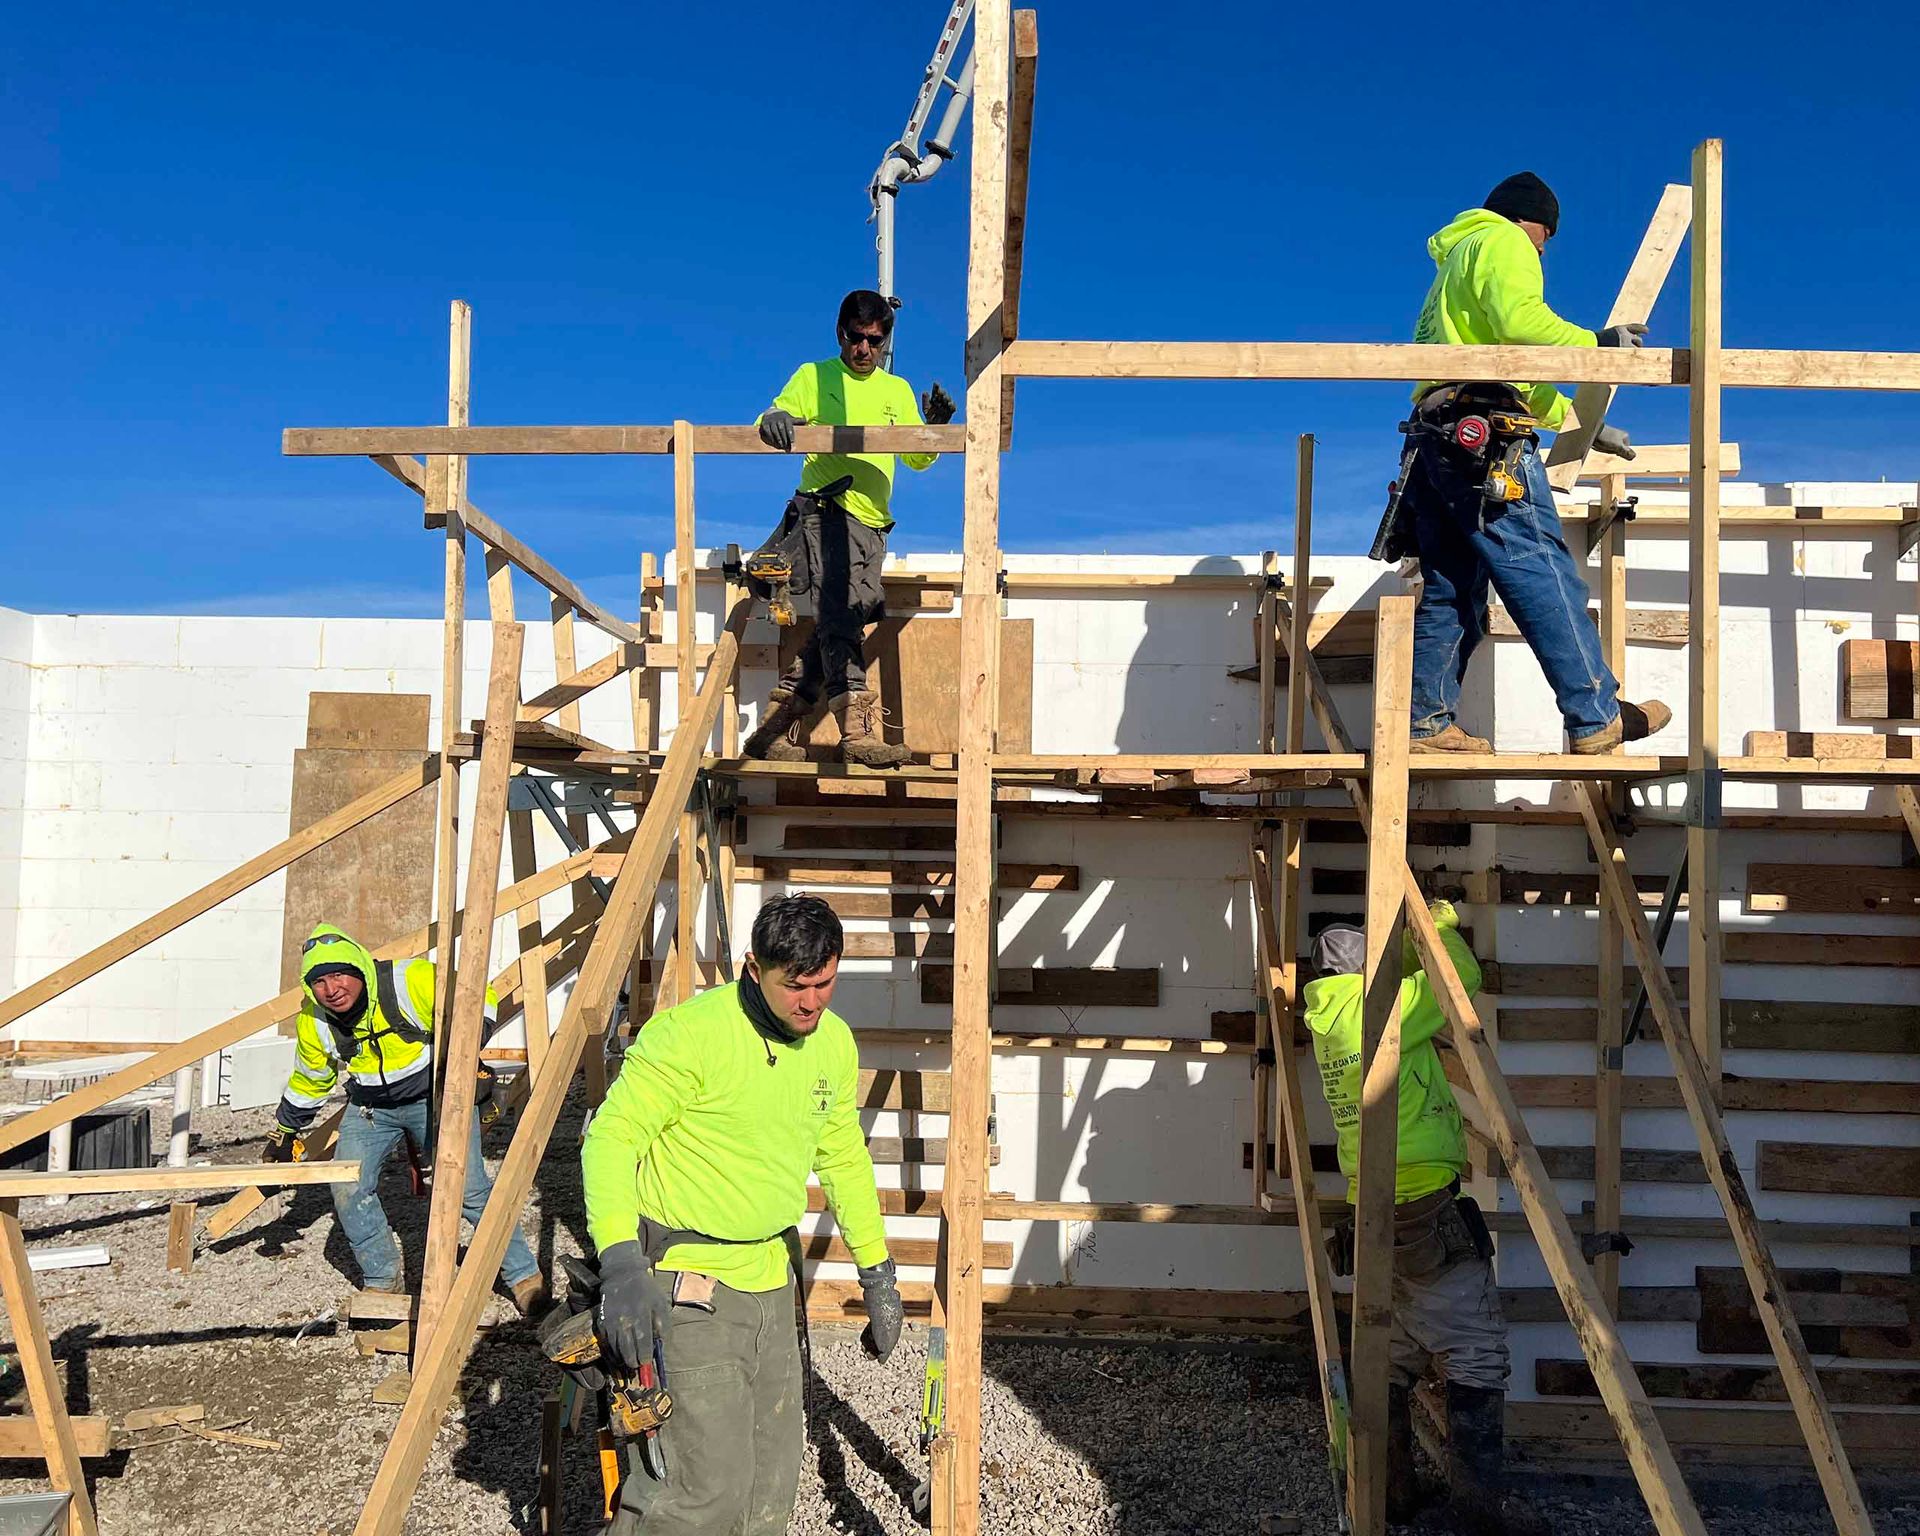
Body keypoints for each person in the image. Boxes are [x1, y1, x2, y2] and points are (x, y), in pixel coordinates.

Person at [580, 894, 903, 1536]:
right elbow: (610, 1140)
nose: (811, 1002)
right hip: (686, 1281)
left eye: (825, 983)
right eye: (796, 987)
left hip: (772, 1284)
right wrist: (619, 1263)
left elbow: (842, 1156)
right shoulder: (689, 1036)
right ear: (754, 969)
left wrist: (878, 1273)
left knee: (769, 1485)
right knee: (699, 1491)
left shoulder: (833, 1045)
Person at [1395, 170, 1671, 756]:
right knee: (1541, 567)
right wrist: (1597, 344)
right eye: (1546, 236)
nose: (1543, 248)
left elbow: (1502, 359)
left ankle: (1425, 724)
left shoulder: (1454, 268)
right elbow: (1523, 326)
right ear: (1536, 222)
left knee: (1450, 585)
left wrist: (1581, 427)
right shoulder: (1504, 241)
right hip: (1485, 441)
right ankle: (1595, 714)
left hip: (1438, 437)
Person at [1303, 902, 1542, 1536]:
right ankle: (1477, 1515)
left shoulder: (1336, 1015)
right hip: (1425, 1214)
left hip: (1382, 1212)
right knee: (1477, 1356)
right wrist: (1436, 928)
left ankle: (1389, 1499)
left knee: (1392, 1357)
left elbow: (1406, 986)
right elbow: (1458, 981)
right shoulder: (1379, 1017)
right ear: (1365, 979)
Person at [263, 924, 546, 1313]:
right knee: (347, 1186)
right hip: (370, 1108)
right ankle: (382, 1281)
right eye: (320, 982)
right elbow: (311, 1079)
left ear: (359, 970)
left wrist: (468, 1040)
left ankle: (524, 1277)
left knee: (469, 1189)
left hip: (434, 1096)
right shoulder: (315, 1020)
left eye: (339, 975)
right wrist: (285, 1129)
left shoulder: (407, 980)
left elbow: (477, 993)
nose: (332, 989)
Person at [743, 289, 955, 768]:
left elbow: (918, 458)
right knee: (841, 617)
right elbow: (774, 415)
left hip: (872, 525)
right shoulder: (816, 376)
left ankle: (769, 736)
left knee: (839, 623)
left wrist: (936, 427)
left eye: (874, 341)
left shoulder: (894, 391)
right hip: (825, 512)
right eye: (856, 338)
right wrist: (775, 418)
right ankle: (858, 734)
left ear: (886, 342)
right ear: (841, 333)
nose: (864, 350)